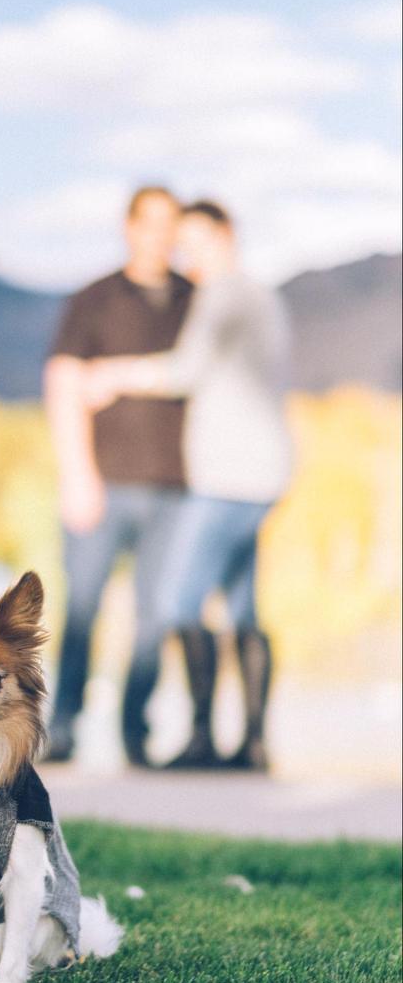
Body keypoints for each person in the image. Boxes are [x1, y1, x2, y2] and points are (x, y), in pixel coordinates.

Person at [82, 200, 294, 770]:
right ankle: (252, 744)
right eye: (186, 245)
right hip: (265, 471)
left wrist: (111, 374)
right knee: (244, 607)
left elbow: (185, 369)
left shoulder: (222, 293)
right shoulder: (262, 293)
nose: (190, 256)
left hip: (229, 476)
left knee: (177, 601)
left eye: (199, 242)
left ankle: (202, 739)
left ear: (227, 235)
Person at [43, 186, 194, 764]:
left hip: (176, 488)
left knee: (156, 616)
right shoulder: (95, 298)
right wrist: (77, 475)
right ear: (129, 227)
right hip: (102, 485)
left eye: (169, 224)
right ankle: (63, 727)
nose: (159, 234)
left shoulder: (193, 299)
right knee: (82, 608)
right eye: (149, 223)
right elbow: (62, 385)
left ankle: (138, 733)